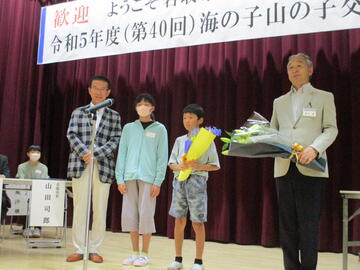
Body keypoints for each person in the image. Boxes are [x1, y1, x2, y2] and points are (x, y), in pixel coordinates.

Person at [270, 53, 338, 270]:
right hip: (284, 167)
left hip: (311, 168)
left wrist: (315, 149)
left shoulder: (324, 97)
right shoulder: (278, 102)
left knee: (308, 226)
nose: (294, 69)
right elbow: (272, 132)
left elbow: (331, 129)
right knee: (287, 226)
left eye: (299, 65)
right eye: (290, 66)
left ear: (311, 70)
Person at [66, 75, 121, 263]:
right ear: (89, 90)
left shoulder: (114, 116)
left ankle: (95, 248)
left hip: (102, 166)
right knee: (80, 207)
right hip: (80, 164)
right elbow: (71, 134)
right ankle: (79, 248)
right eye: (95, 88)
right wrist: (84, 152)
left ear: (108, 92)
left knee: (100, 208)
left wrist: (96, 154)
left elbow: (115, 139)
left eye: (102, 89)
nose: (98, 92)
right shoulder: (79, 112)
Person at [116, 93, 168, 267]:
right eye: (139, 104)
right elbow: (122, 153)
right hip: (129, 177)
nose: (142, 107)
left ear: (152, 108)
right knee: (130, 215)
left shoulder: (160, 129)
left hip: (149, 178)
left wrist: (158, 181)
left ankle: (145, 254)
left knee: (146, 215)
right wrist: (119, 178)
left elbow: (162, 157)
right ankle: (134, 253)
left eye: (146, 104)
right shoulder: (129, 128)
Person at [167, 104, 220, 270]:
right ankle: (178, 259)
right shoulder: (180, 140)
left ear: (200, 120)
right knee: (179, 220)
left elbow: (215, 165)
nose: (187, 121)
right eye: (184, 118)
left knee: (197, 221)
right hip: (179, 182)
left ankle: (198, 261)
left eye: (190, 118)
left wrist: (197, 166)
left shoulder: (207, 141)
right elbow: (171, 164)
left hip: (197, 182)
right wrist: (180, 167)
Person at [16, 145, 49, 238]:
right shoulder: (21, 166)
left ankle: (38, 228)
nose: (35, 154)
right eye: (33, 152)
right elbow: (20, 180)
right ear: (28, 154)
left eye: (38, 152)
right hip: (24, 192)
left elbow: (44, 181)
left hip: (39, 193)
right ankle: (25, 227)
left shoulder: (43, 167)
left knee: (38, 202)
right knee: (26, 201)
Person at [0, 154, 11, 223]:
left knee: (3, 202)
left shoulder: (3, 159)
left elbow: (7, 174)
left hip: (0, 190)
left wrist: (4, 176)